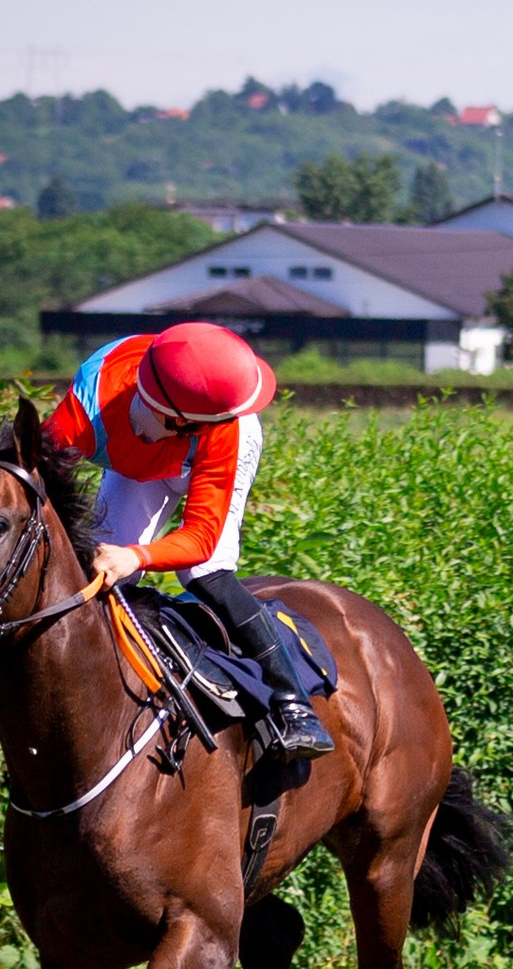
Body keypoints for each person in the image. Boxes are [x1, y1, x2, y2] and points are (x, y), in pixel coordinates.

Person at [45, 321, 333, 758]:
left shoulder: (227, 426)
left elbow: (199, 539)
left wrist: (136, 555)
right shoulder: (93, 398)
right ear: (173, 417)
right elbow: (33, 471)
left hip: (205, 465)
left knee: (203, 571)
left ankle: (292, 702)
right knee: (100, 574)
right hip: (138, 467)